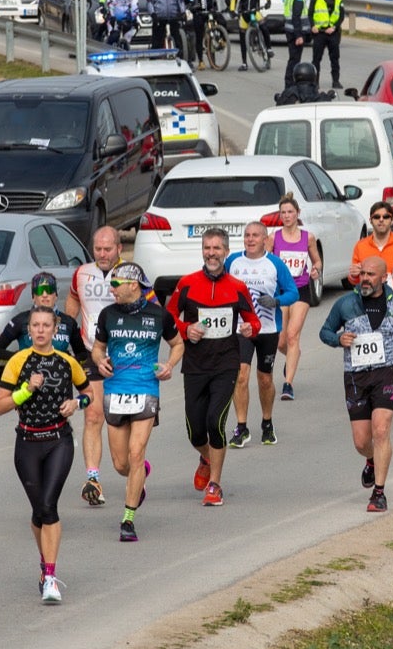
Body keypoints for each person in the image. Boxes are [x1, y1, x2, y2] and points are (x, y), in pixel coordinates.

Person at [0, 309, 89, 604]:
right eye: (35, 325)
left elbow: (89, 394)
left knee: (49, 507)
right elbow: (0, 406)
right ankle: (44, 562)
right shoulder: (17, 361)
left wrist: (76, 403)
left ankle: (50, 577)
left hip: (58, 442)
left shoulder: (67, 362)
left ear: (55, 329)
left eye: (45, 326)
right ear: (28, 330)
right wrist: (25, 390)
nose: (40, 330)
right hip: (27, 443)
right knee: (39, 513)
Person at [318, 257, 393, 512]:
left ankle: (379, 493)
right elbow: (325, 331)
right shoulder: (345, 303)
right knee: (361, 441)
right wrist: (338, 338)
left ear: (383, 277)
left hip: (386, 373)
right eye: (362, 273)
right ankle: (370, 460)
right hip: (355, 376)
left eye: (370, 274)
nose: (364, 278)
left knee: (381, 430)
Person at [165, 229, 260, 507]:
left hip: (226, 364)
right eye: (207, 248)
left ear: (226, 252)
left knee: (215, 422)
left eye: (217, 248)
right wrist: (186, 328)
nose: (211, 253)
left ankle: (215, 484)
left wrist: (248, 328)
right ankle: (206, 456)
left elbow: (253, 320)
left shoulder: (238, 286)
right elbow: (168, 316)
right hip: (195, 365)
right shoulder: (188, 284)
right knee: (195, 430)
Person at [91, 263, 181, 543]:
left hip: (145, 389)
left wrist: (168, 365)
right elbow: (97, 348)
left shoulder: (158, 315)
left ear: (134, 285)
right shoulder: (108, 315)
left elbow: (178, 344)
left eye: (116, 284)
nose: (112, 289)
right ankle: (138, 477)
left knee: (135, 452)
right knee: (120, 464)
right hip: (115, 390)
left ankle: (128, 520)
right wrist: (99, 361)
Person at [65, 226, 133, 508]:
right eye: (98, 249)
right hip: (93, 354)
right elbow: (73, 299)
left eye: (108, 249)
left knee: (122, 424)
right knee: (93, 415)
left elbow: (151, 308)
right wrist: (66, 333)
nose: (102, 254)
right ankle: (92, 479)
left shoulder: (131, 273)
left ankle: (134, 465)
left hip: (127, 358)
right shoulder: (82, 273)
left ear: (119, 248)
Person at [227, 224, 300, 449]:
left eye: (255, 235)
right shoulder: (232, 261)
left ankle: (267, 422)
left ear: (264, 239)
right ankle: (241, 427)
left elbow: (293, 292)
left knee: (264, 379)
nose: (250, 239)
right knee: (240, 376)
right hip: (241, 328)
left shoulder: (274, 263)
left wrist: (277, 301)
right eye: (247, 235)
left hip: (268, 328)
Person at [271, 195, 323, 401]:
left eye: (290, 212)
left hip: (300, 290)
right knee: (281, 340)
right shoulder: (274, 238)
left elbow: (317, 261)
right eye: (283, 212)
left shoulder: (307, 237)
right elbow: (266, 262)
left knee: (293, 335)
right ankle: (294, 355)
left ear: (297, 213)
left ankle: (288, 384)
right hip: (281, 291)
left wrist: (316, 270)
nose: (286, 216)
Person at [0, 272, 90, 370]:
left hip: (59, 379)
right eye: (40, 291)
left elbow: (82, 355)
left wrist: (67, 361)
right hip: (28, 379)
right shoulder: (20, 320)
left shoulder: (69, 322)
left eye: (49, 290)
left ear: (55, 295)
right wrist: (19, 358)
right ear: (33, 297)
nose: (45, 295)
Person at [350, 202, 393, 299]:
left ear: (392, 220)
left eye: (386, 217)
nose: (381, 220)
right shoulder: (360, 246)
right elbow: (354, 280)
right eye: (377, 217)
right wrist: (353, 275)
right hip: (369, 301)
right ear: (370, 220)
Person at [281, 0, 323, 87]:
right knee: (294, 60)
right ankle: (290, 84)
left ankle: (289, 83)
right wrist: (299, 36)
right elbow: (296, 18)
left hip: (290, 31)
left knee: (293, 58)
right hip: (295, 33)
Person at [230, 0, 270, 72]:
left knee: (264, 26)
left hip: (255, 11)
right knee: (242, 38)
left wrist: (268, 1)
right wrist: (232, 10)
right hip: (244, 13)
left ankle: (269, 48)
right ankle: (244, 63)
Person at [187, 0, 229, 68]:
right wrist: (191, 6)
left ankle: (222, 40)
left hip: (210, 10)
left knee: (223, 22)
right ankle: (201, 61)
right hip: (199, 12)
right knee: (199, 34)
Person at [310, 0, 345, 89]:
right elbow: (310, 14)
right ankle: (315, 82)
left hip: (333, 33)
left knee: (335, 58)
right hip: (319, 33)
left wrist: (334, 27)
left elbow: (341, 16)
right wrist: (312, 26)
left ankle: (336, 81)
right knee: (316, 58)